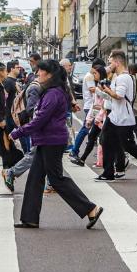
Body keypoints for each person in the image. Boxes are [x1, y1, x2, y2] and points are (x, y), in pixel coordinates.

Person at [11, 59, 103, 230]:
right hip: (47, 140)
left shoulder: (53, 94)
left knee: (56, 179)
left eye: (40, 71)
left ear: (49, 74)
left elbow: (39, 120)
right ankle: (29, 219)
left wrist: (18, 132)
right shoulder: (52, 91)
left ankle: (91, 208)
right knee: (35, 179)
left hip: (51, 141)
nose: (37, 74)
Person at [96, 50, 137, 182]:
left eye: (110, 63)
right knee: (105, 140)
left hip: (123, 118)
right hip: (115, 117)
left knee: (129, 146)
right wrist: (103, 91)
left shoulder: (123, 78)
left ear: (117, 62)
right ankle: (108, 172)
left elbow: (119, 96)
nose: (109, 66)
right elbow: (114, 98)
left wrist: (107, 90)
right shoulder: (119, 77)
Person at [3, 72, 43, 191]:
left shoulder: (45, 87)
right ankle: (11, 172)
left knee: (42, 155)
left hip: (41, 128)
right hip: (38, 128)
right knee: (35, 153)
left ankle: (51, 182)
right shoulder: (35, 88)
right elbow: (32, 110)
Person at [70, 65, 107, 166]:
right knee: (93, 137)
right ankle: (82, 159)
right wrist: (91, 118)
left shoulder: (103, 85)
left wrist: (93, 118)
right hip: (98, 117)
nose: (93, 75)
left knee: (101, 139)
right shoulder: (99, 84)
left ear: (100, 73)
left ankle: (116, 162)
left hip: (103, 117)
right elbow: (96, 104)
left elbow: (101, 104)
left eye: (95, 73)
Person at [68, 60, 98, 160]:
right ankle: (75, 150)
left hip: (92, 106)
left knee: (93, 131)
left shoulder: (90, 75)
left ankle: (78, 151)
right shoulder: (90, 76)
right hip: (91, 107)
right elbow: (92, 90)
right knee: (85, 129)